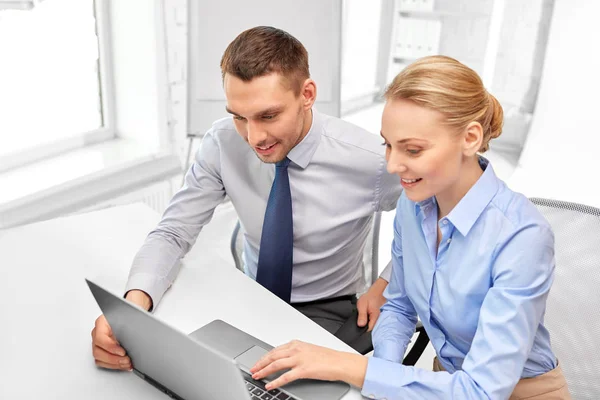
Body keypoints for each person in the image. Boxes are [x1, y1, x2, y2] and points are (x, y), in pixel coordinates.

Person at [250, 55, 571, 399]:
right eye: (388, 144)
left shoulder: (522, 238)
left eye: (413, 149)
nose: (392, 165)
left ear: (470, 138)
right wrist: (378, 381)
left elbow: (480, 391)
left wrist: (353, 368)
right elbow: (399, 304)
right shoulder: (413, 205)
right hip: (444, 383)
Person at [90, 26, 403, 371]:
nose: (254, 137)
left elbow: (433, 216)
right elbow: (173, 231)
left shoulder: (370, 159)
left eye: (268, 116)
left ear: (307, 94)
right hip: (248, 294)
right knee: (173, 370)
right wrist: (134, 308)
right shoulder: (223, 143)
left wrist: (389, 281)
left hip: (326, 308)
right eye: (239, 116)